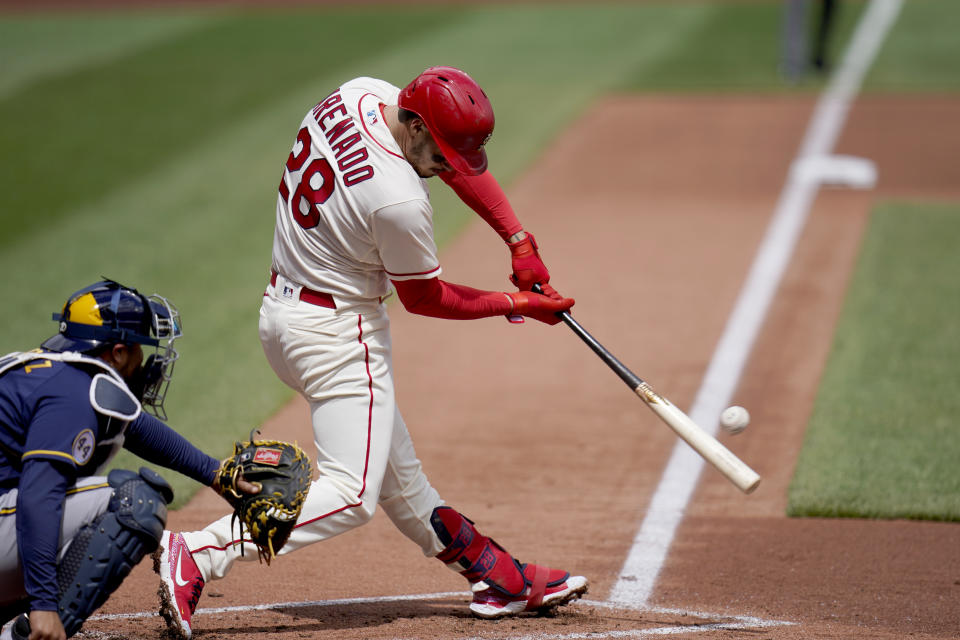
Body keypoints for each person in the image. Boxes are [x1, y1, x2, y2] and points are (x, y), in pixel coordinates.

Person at [155, 66, 586, 639]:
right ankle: (198, 552)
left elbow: (451, 167)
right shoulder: (398, 200)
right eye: (442, 153)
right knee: (352, 494)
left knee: (399, 480)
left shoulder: (364, 94)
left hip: (283, 316)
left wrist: (518, 239)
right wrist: (518, 303)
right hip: (337, 335)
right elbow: (425, 298)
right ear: (412, 125)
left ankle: (497, 576)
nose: (449, 169)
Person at [0, 280, 256, 640]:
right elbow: (38, 496)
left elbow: (138, 429)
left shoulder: (57, 375)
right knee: (135, 503)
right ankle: (28, 635)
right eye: (140, 349)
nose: (148, 361)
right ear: (117, 352)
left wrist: (217, 474)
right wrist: (43, 603)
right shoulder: (71, 396)